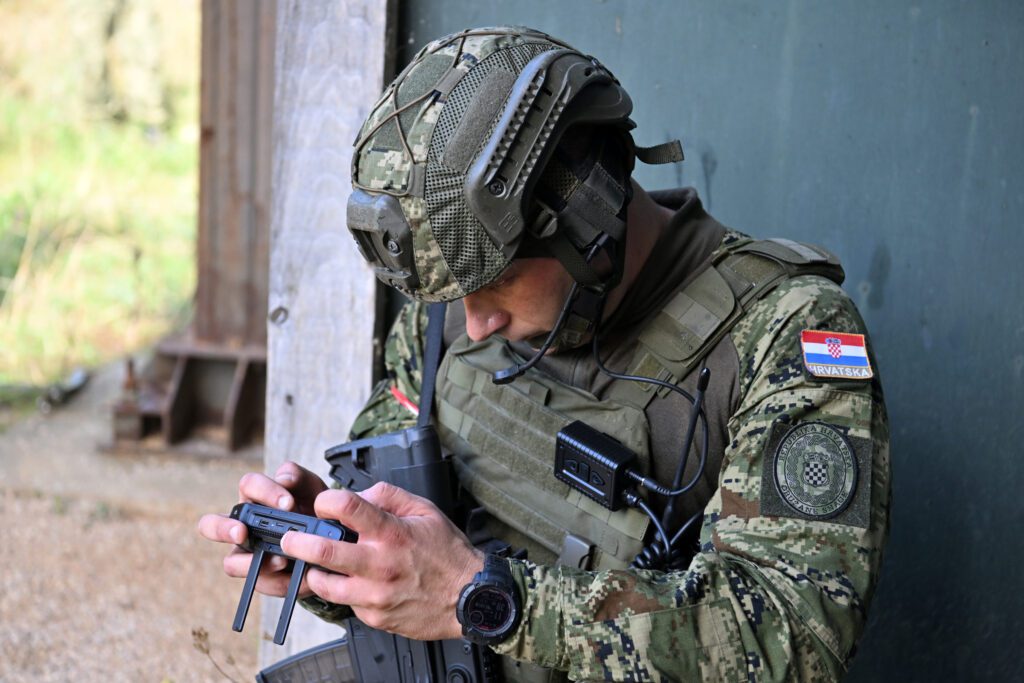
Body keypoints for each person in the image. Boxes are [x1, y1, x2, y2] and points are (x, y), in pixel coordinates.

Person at [199, 26, 890, 681]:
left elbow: (797, 640)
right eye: (458, 295)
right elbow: (403, 512)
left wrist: (483, 599)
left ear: (588, 218)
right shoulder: (455, 295)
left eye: (495, 284)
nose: (476, 325)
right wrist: (336, 547)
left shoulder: (788, 333)